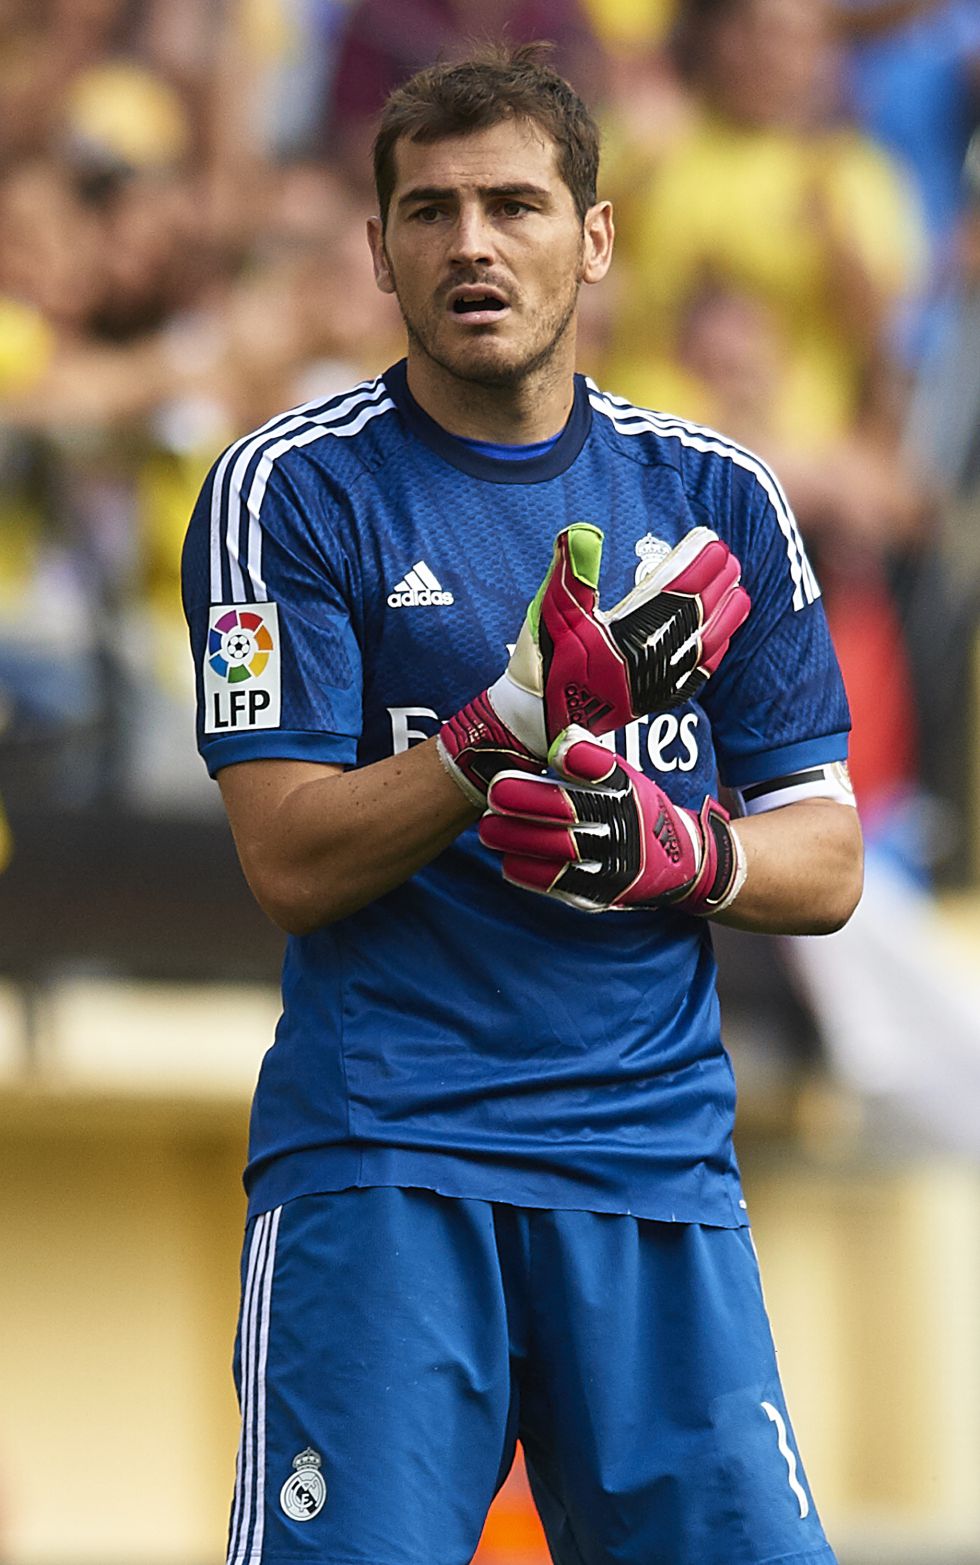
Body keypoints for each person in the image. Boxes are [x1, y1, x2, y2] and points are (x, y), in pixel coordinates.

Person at [181, 43, 863, 1565]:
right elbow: (288, 859)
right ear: (378, 252)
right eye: (428, 212)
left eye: (513, 205)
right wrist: (507, 729)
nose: (471, 244)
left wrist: (683, 852)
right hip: (388, 1158)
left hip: (655, 1166)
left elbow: (827, 857)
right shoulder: (288, 493)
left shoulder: (719, 498)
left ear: (596, 237)